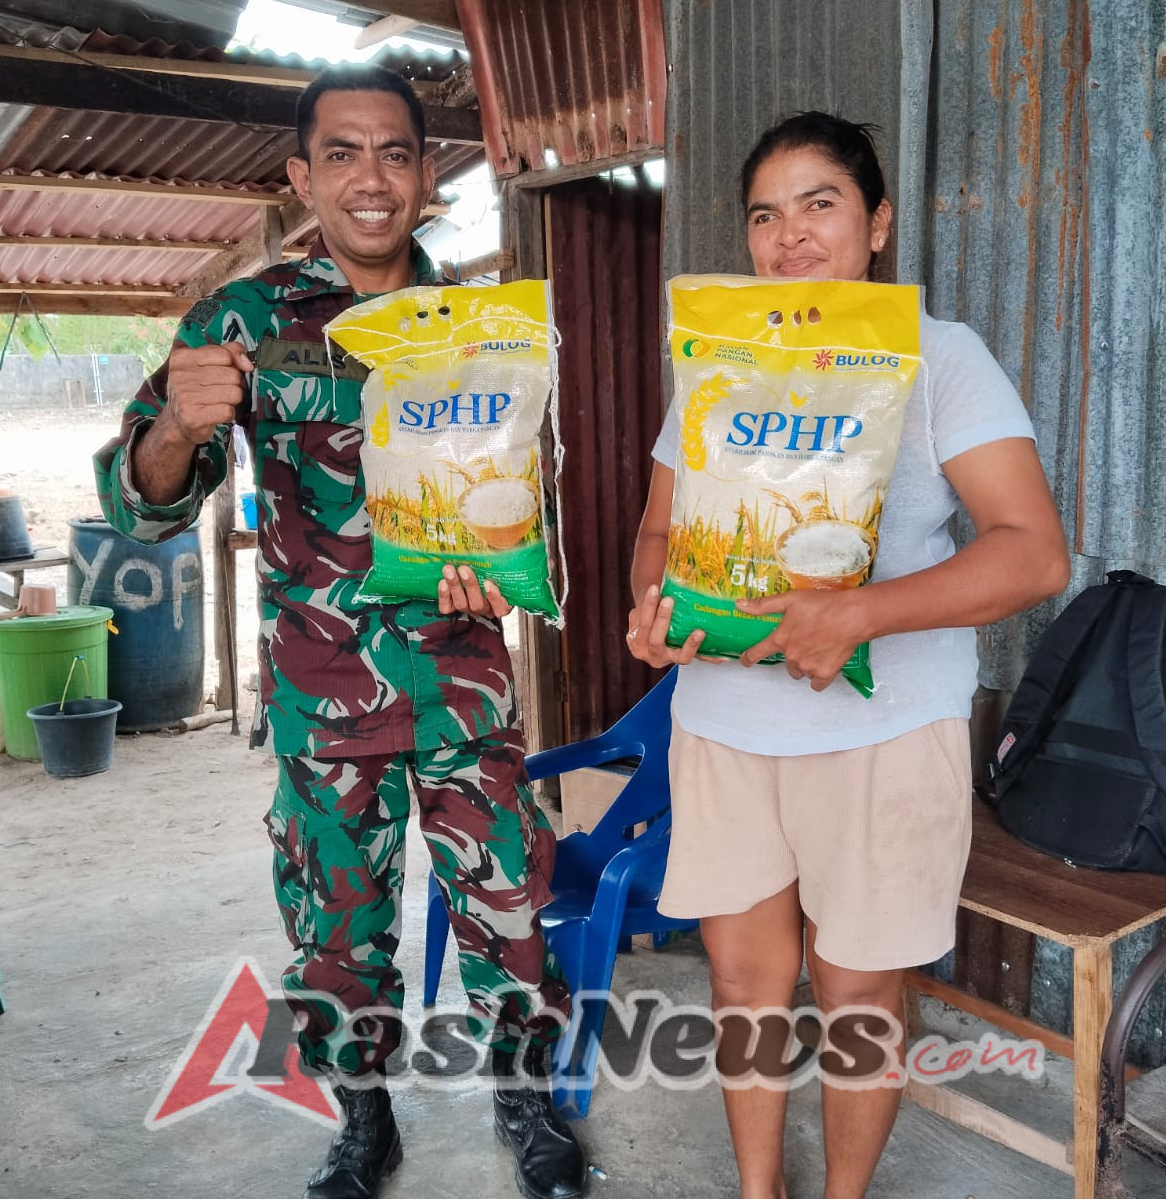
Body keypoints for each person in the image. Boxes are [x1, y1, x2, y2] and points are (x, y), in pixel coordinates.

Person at [93, 65, 586, 1199]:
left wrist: (505, 576)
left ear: (427, 177)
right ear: (303, 176)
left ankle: (528, 1106)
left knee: (508, 907)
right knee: (336, 926)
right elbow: (141, 508)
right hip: (324, 695)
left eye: (396, 154)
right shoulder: (243, 321)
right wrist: (177, 425)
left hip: (464, 685)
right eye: (344, 154)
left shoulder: (479, 326)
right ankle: (363, 1122)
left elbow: (525, 509)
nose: (372, 178)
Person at [625, 111, 1071, 1198]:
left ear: (876, 224)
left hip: (886, 730)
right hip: (725, 723)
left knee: (858, 994)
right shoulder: (717, 361)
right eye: (764, 215)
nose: (788, 236)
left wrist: (858, 615)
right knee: (743, 984)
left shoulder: (941, 358)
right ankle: (759, 1190)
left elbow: (1032, 553)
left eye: (818, 204)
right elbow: (659, 529)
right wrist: (651, 605)